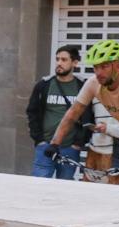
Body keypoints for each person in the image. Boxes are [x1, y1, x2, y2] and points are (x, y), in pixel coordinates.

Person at [48, 39, 119, 185]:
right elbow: (73, 113)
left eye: (104, 66)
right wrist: (54, 144)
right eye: (95, 67)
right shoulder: (93, 83)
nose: (98, 72)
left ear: (118, 66)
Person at [27, 45, 92, 180]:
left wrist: (78, 143)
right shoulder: (44, 85)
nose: (59, 63)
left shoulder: (82, 86)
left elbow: (89, 116)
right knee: (38, 184)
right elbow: (32, 113)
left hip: (70, 148)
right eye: (57, 59)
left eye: (64, 60)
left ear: (74, 62)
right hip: (45, 146)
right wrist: (39, 140)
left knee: (65, 186)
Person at [85, 97, 119, 184]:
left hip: (116, 152)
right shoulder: (94, 92)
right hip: (93, 149)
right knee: (88, 191)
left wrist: (107, 128)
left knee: (113, 193)